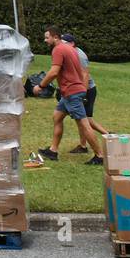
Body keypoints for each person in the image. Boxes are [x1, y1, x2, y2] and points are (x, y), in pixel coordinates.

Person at [35, 27, 103, 164]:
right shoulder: (71, 49)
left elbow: (54, 72)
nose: (45, 40)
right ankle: (53, 151)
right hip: (69, 92)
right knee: (57, 116)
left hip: (72, 92)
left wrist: (40, 86)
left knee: (84, 124)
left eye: (47, 37)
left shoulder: (58, 50)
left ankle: (99, 156)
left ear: (55, 37)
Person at [63, 33, 110, 153]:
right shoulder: (70, 53)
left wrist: (83, 92)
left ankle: (109, 136)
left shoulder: (80, 55)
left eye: (64, 43)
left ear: (72, 43)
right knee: (80, 119)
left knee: (86, 120)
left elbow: (85, 74)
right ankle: (83, 146)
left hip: (87, 90)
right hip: (78, 90)